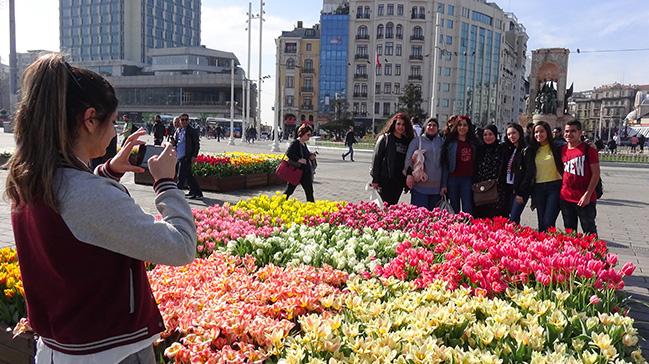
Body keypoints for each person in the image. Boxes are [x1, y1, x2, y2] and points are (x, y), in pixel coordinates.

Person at [5, 54, 196, 363]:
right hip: (111, 350)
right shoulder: (84, 194)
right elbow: (181, 248)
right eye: (114, 121)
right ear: (90, 119)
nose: (114, 131)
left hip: (58, 349)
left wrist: (107, 172)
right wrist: (166, 184)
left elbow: (72, 212)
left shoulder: (30, 178)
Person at [520, 120, 564, 232]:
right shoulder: (532, 150)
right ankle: (543, 246)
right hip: (538, 188)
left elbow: (572, 145)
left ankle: (550, 244)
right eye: (536, 132)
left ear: (547, 132)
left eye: (541, 131)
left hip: (554, 187)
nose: (538, 134)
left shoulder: (557, 147)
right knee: (541, 221)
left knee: (548, 221)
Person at [560, 120, 600, 236]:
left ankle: (592, 254)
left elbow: (596, 174)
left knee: (589, 233)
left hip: (584, 199)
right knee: (570, 233)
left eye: (573, 131)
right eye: (567, 131)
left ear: (580, 133)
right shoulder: (562, 149)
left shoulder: (588, 149)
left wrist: (587, 195)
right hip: (566, 198)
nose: (569, 134)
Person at [370, 112, 414, 205]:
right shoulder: (385, 138)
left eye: (403, 124)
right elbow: (376, 160)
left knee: (392, 206)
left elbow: (409, 161)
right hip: (385, 180)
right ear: (394, 124)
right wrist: (375, 179)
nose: (401, 127)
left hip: (398, 181)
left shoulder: (407, 141)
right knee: (383, 206)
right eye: (398, 124)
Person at [404, 117, 447, 210]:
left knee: (433, 220)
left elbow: (444, 165)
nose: (431, 127)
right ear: (425, 127)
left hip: (437, 189)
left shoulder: (442, 142)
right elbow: (408, 159)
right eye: (429, 125)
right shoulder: (417, 141)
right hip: (420, 188)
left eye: (434, 125)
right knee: (420, 218)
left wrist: (444, 185)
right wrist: (408, 175)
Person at [441, 115, 478, 215]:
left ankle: (467, 228)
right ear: (456, 127)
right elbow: (445, 165)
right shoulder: (450, 143)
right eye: (460, 125)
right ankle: (455, 229)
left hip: (468, 179)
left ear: (469, 127)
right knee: (454, 207)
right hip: (453, 179)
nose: (462, 127)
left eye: (465, 125)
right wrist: (444, 184)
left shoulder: (473, 143)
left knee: (467, 207)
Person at [473, 124, 505, 219]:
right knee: (480, 217)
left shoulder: (501, 149)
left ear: (495, 135)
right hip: (480, 188)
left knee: (494, 218)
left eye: (490, 134)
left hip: (496, 189)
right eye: (485, 134)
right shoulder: (480, 149)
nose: (488, 137)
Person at [500, 123, 528, 224]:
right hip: (508, 187)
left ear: (520, 133)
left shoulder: (526, 150)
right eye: (509, 134)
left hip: (518, 190)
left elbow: (528, 174)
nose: (511, 136)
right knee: (507, 217)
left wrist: (521, 192)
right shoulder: (510, 149)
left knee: (513, 218)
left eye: (514, 133)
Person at [284, 124, 317, 202]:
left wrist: (310, 155)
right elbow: (289, 153)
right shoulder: (295, 143)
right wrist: (299, 160)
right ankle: (279, 203)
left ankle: (311, 209)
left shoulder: (303, 143)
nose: (309, 137)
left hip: (305, 172)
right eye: (308, 135)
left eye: (310, 135)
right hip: (296, 172)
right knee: (289, 191)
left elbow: (305, 154)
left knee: (309, 192)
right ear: (302, 133)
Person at [174, 113, 203, 200]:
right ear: (179, 120)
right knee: (188, 175)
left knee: (181, 176)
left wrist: (194, 156)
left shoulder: (191, 131)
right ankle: (196, 192)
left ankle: (177, 194)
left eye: (186, 119)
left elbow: (196, 144)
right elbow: (176, 141)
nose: (184, 121)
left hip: (187, 157)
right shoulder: (178, 130)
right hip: (179, 156)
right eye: (182, 120)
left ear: (188, 120)